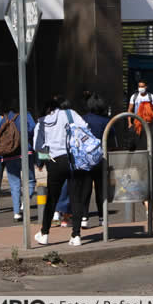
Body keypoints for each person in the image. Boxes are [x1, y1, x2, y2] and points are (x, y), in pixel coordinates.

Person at [33, 96, 92, 246]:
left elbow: (38, 148)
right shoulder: (70, 114)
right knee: (76, 197)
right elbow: (85, 128)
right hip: (73, 159)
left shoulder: (41, 123)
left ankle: (44, 233)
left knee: (52, 198)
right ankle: (76, 236)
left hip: (54, 162)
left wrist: (49, 158)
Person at [0, 100, 37, 222]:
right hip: (26, 152)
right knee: (30, 181)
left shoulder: (4, 118)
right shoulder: (26, 115)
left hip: (9, 154)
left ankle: (16, 212)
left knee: (14, 184)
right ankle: (24, 204)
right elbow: (32, 129)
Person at [81, 93, 113, 227]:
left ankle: (84, 218)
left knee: (85, 189)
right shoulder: (106, 121)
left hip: (85, 159)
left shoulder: (82, 120)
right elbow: (112, 139)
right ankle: (102, 217)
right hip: (101, 159)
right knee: (101, 189)